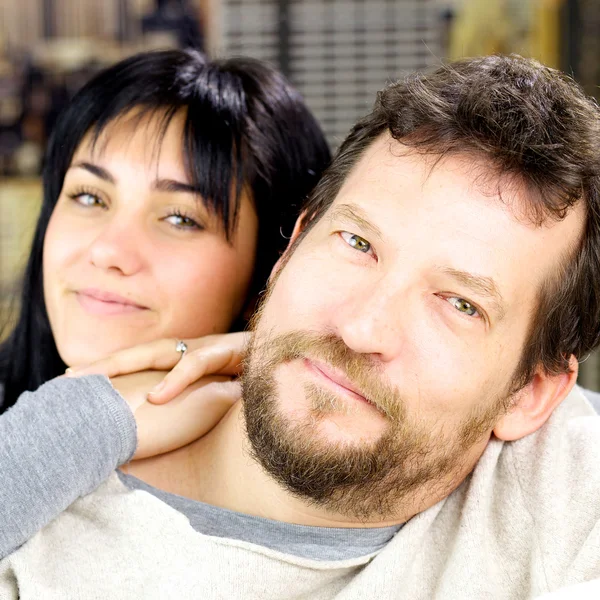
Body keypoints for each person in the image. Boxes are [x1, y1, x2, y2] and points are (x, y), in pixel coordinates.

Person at [3, 53, 600, 599]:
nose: (363, 328)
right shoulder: (43, 539)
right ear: (292, 249)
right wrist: (76, 425)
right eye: (357, 243)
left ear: (534, 393)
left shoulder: (562, 486)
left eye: (461, 304)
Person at [0, 48, 330, 552]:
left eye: (180, 218)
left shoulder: (288, 515)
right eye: (89, 197)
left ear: (271, 269)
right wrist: (82, 421)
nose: (108, 250)